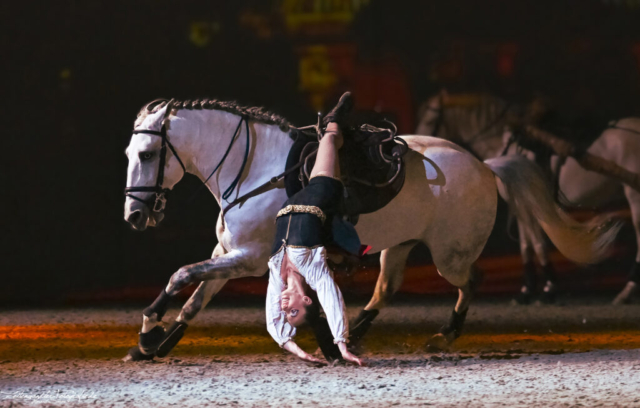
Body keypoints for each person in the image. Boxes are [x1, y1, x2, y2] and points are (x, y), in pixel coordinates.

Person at [265, 94, 363, 366]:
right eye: (293, 309)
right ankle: (334, 122)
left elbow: (274, 325)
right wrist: (342, 344)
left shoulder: (277, 275)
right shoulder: (314, 270)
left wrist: (298, 350)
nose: (284, 306)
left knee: (296, 148)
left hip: (291, 199)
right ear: (307, 298)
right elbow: (332, 300)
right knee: (329, 140)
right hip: (320, 193)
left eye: (285, 311)